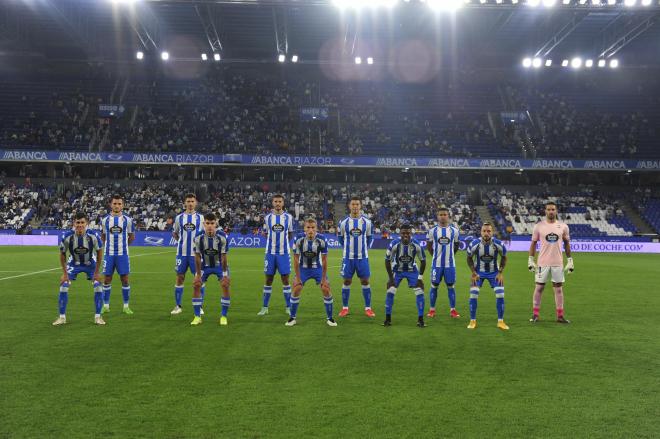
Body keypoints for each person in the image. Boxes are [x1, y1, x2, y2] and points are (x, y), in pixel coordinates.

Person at [52, 212, 105, 326]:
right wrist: (65, 274)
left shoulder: (93, 236)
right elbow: (62, 254)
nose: (80, 225)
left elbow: (100, 252)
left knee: (98, 286)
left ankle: (98, 317)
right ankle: (62, 318)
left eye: (82, 222)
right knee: (64, 286)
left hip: (90, 263)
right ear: (73, 223)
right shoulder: (67, 236)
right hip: (73, 263)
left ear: (86, 223)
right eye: (77, 222)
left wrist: (96, 272)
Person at [528, 201, 573, 324]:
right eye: (549, 209)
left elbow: (567, 243)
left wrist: (570, 260)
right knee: (539, 287)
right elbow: (533, 243)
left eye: (553, 209)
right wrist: (530, 260)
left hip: (558, 263)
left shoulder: (563, 226)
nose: (551, 211)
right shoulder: (538, 226)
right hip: (542, 263)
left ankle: (560, 316)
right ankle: (535, 315)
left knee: (558, 290)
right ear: (545, 211)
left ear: (556, 211)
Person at [287, 218, 336, 327]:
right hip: (303, 268)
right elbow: (295, 259)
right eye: (308, 227)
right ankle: (292, 318)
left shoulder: (322, 239)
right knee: (296, 288)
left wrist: (323, 279)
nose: (310, 230)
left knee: (326, 288)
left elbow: (324, 260)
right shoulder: (298, 239)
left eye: (313, 227)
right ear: (304, 228)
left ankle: (330, 318)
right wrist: (298, 278)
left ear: (316, 228)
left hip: (317, 268)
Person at [465, 223, 509, 330]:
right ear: (481, 232)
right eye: (484, 231)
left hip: (494, 273)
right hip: (478, 273)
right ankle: (472, 321)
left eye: (489, 231)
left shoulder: (498, 244)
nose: (486, 233)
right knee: (473, 295)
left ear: (492, 232)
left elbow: (504, 257)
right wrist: (473, 272)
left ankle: (500, 321)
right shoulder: (474, 244)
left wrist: (500, 272)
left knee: (500, 295)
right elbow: (469, 258)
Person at [337, 196, 375, 318]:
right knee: (347, 281)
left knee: (365, 281)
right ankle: (345, 308)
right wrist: (347, 248)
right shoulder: (343, 222)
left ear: (360, 206)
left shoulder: (367, 222)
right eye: (353, 204)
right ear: (349, 206)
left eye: (357, 204)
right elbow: (340, 238)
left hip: (362, 258)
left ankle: (368, 308)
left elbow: (369, 237)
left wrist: (364, 249)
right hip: (348, 258)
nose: (355, 206)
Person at [190, 213, 231, 326]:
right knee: (196, 285)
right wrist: (198, 274)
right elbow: (197, 256)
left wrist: (224, 275)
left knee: (225, 285)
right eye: (207, 223)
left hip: (219, 265)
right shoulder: (198, 237)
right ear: (204, 224)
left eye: (212, 223)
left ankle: (223, 316)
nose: (209, 226)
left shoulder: (222, 236)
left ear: (216, 224)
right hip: (205, 265)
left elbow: (224, 257)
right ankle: (197, 316)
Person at [383, 224, 427, 328]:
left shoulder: (416, 244)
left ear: (411, 233)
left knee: (420, 290)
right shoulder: (394, 244)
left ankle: (420, 320)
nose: (406, 235)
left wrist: (420, 278)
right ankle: (387, 319)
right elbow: (387, 260)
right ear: (400, 233)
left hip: (412, 270)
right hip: (397, 270)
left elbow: (423, 261)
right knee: (390, 290)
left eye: (408, 233)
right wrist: (390, 278)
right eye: (403, 233)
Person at [258, 194, 294, 316]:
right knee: (268, 279)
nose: (278, 203)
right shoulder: (267, 218)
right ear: (272, 203)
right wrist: (273, 243)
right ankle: (264, 307)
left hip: (284, 253)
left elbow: (290, 234)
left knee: (285, 279)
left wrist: (283, 245)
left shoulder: (288, 217)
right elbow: (266, 233)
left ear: (283, 203)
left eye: (280, 201)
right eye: (275, 201)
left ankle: (289, 307)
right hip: (270, 253)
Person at [100, 194, 135, 314]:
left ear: (123, 205)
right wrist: (109, 246)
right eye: (115, 203)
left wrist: (123, 247)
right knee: (107, 279)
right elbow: (103, 236)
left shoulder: (128, 220)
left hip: (122, 254)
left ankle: (126, 306)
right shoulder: (105, 220)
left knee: (125, 279)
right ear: (111, 205)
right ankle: (105, 305)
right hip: (109, 254)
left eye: (119, 204)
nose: (117, 206)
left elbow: (131, 236)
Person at [171, 193, 204, 315]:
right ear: (185, 203)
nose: (190, 203)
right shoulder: (179, 218)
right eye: (188, 201)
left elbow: (205, 234)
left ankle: (199, 306)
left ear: (196, 203)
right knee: (180, 277)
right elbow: (174, 233)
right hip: (182, 253)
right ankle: (178, 306)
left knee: (199, 279)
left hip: (196, 254)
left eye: (192, 201)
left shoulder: (201, 218)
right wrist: (182, 241)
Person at [426, 207, 460, 318]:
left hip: (450, 265)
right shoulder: (432, 231)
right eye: (440, 214)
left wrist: (450, 256)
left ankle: (453, 310)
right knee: (434, 286)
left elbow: (456, 246)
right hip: (436, 265)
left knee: (451, 286)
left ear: (448, 216)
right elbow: (429, 247)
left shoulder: (454, 231)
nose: (443, 216)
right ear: (437, 216)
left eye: (445, 214)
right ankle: (432, 310)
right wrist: (436, 257)